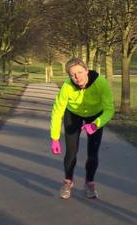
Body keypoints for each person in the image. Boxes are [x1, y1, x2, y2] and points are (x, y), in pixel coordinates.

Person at [50, 57, 114, 200]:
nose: (77, 77)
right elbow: (57, 111)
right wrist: (55, 137)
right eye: (73, 75)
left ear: (87, 70)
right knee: (71, 151)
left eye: (80, 72)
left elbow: (109, 109)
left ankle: (89, 183)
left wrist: (96, 124)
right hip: (73, 114)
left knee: (93, 152)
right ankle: (67, 182)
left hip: (95, 116)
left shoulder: (101, 83)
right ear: (69, 76)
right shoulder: (67, 86)